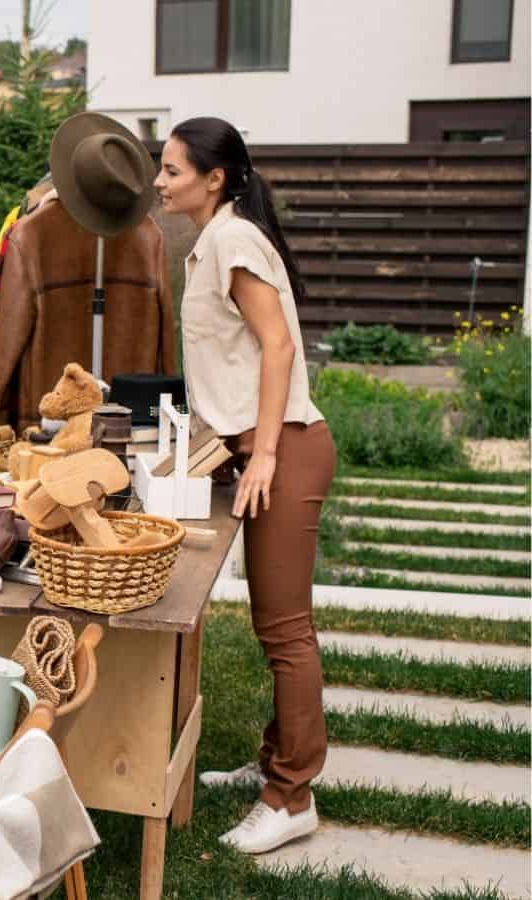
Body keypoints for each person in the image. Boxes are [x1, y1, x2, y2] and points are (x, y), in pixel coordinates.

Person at [154, 117, 336, 854]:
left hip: (286, 447)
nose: (160, 182)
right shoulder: (214, 240)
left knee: (285, 632)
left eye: (170, 170)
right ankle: (277, 762)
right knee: (276, 626)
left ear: (215, 178)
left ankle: (292, 795)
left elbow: (279, 345)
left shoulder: (231, 239)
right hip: (259, 447)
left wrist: (261, 453)